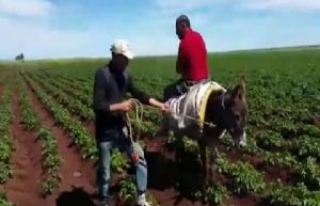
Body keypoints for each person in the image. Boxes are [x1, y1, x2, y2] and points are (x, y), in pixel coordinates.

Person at [93, 39, 170, 206]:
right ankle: (104, 201)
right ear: (115, 56)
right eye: (125, 58)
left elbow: (138, 94)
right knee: (105, 171)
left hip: (121, 130)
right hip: (105, 132)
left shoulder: (125, 76)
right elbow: (98, 106)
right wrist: (120, 106)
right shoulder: (102, 75)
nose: (127, 61)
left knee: (139, 158)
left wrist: (159, 105)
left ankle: (141, 198)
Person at [163, 14, 210, 101]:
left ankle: (170, 114)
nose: (176, 32)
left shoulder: (184, 42)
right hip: (206, 80)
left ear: (183, 25)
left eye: (177, 28)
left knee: (167, 91)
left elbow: (178, 69)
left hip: (193, 84)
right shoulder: (199, 36)